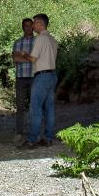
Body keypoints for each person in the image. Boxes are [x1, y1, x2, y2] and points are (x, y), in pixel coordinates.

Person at [21, 13, 58, 149]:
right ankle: (48, 138)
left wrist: (24, 54)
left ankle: (32, 139)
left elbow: (33, 59)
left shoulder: (40, 39)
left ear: (41, 24)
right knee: (49, 108)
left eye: (35, 23)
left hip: (41, 76)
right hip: (52, 75)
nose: (32, 25)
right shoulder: (52, 39)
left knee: (35, 108)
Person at [11, 18, 36, 144]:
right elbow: (15, 58)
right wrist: (29, 58)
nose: (28, 28)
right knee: (20, 107)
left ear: (33, 27)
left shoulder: (37, 42)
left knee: (34, 106)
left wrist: (24, 56)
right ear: (22, 27)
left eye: (30, 26)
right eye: (25, 26)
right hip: (20, 77)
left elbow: (37, 59)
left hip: (34, 77)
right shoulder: (17, 42)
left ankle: (33, 133)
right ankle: (19, 133)